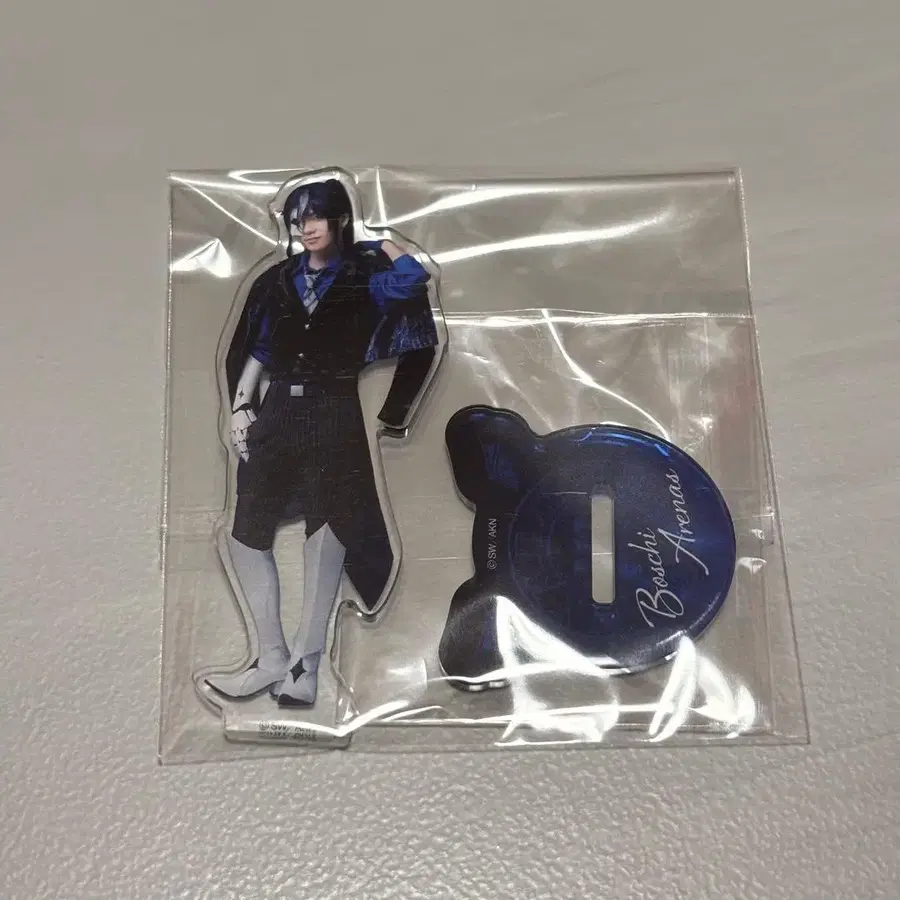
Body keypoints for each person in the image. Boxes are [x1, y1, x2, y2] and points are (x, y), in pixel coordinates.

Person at [205, 178, 440, 707]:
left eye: (314, 217)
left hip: (335, 411)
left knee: (327, 529)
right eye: (297, 220)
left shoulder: (364, 278)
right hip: (276, 412)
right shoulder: (280, 279)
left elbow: (412, 279)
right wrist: (240, 406)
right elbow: (259, 347)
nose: (304, 228)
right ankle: (269, 656)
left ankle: (305, 665)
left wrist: (383, 243)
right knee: (246, 531)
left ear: (339, 219)